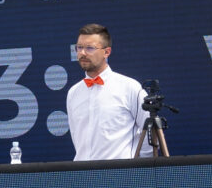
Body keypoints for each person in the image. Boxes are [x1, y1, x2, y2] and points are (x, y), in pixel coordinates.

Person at [65, 24, 154, 161]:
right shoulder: (73, 93)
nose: (82, 53)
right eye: (79, 47)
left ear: (107, 52)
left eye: (90, 48)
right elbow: (77, 138)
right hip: (82, 172)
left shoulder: (130, 87)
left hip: (121, 172)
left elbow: (150, 132)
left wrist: (137, 167)